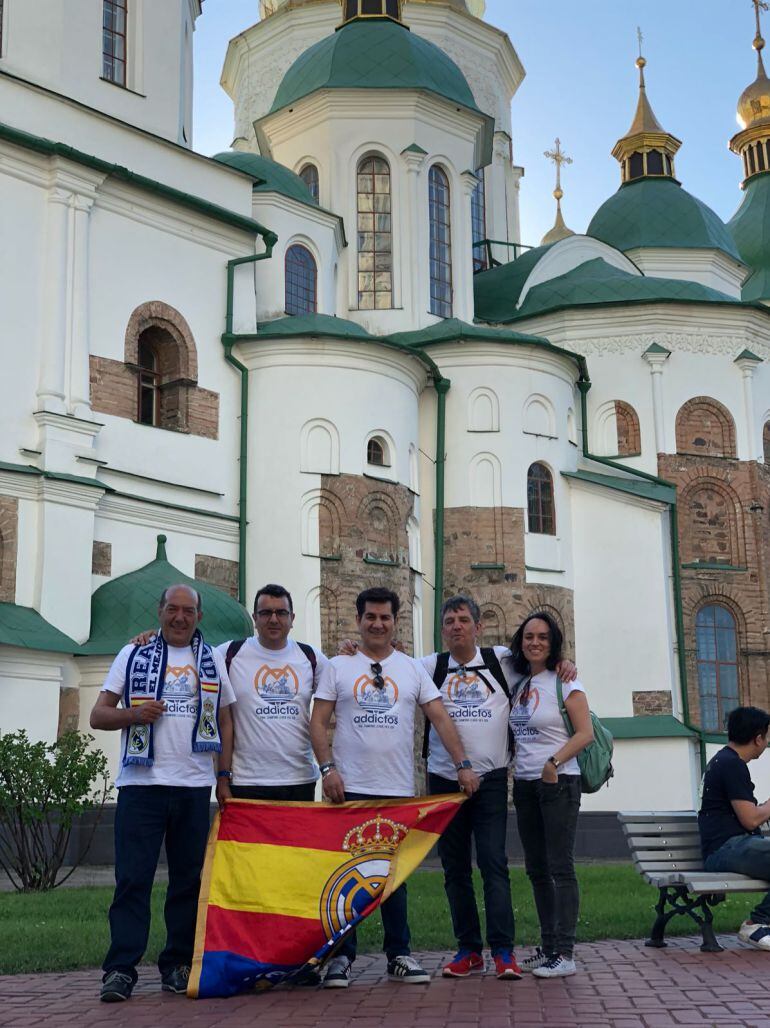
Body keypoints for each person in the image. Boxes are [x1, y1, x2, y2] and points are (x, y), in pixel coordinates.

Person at [310, 586, 480, 989]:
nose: (378, 623)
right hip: (347, 788)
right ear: (359, 619)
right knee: (344, 874)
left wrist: (463, 765)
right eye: (370, 616)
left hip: (398, 789)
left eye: (385, 617)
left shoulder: (410, 668)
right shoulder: (338, 665)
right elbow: (318, 723)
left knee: (392, 876)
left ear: (395, 621)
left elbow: (439, 718)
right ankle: (341, 958)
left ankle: (399, 954)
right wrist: (327, 768)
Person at [90, 584, 235, 1003]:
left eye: (188, 611)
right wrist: (133, 714)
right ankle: (120, 970)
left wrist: (222, 777)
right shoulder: (131, 654)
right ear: (160, 611)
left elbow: (225, 722)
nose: (179, 617)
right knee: (133, 880)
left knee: (188, 883)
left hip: (193, 787)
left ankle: (177, 964)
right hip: (141, 786)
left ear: (199, 617)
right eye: (172, 609)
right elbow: (99, 714)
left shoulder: (211, 660)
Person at [422, 595, 577, 981]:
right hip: (444, 780)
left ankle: (503, 952)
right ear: (443, 629)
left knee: (494, 863)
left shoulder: (501, 660)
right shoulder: (429, 666)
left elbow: (539, 654)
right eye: (450, 621)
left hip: (490, 780)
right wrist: (352, 650)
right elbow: (387, 668)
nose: (457, 626)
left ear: (478, 626)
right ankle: (468, 950)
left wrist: (564, 662)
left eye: (463, 620)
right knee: (454, 868)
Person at [508, 612, 593, 979]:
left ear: (553, 641)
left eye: (542, 637)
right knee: (537, 869)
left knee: (560, 866)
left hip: (558, 783)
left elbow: (585, 733)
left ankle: (566, 953)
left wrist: (553, 762)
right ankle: (548, 948)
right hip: (525, 785)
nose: (535, 642)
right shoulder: (519, 680)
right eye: (529, 636)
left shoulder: (566, 682)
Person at [214, 583, 328, 808]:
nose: (273, 619)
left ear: (292, 618)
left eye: (281, 613)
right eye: (266, 613)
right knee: (248, 845)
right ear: (255, 618)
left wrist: (354, 650)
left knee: (294, 844)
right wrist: (153, 638)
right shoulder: (228, 654)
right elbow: (188, 657)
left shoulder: (312, 657)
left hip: (299, 779)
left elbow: (344, 689)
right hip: (246, 781)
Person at [698, 705, 770, 950]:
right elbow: (750, 819)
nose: (767, 741)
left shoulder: (725, 760)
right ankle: (756, 923)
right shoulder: (731, 764)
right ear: (757, 738)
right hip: (725, 850)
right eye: (767, 736)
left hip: (729, 847)